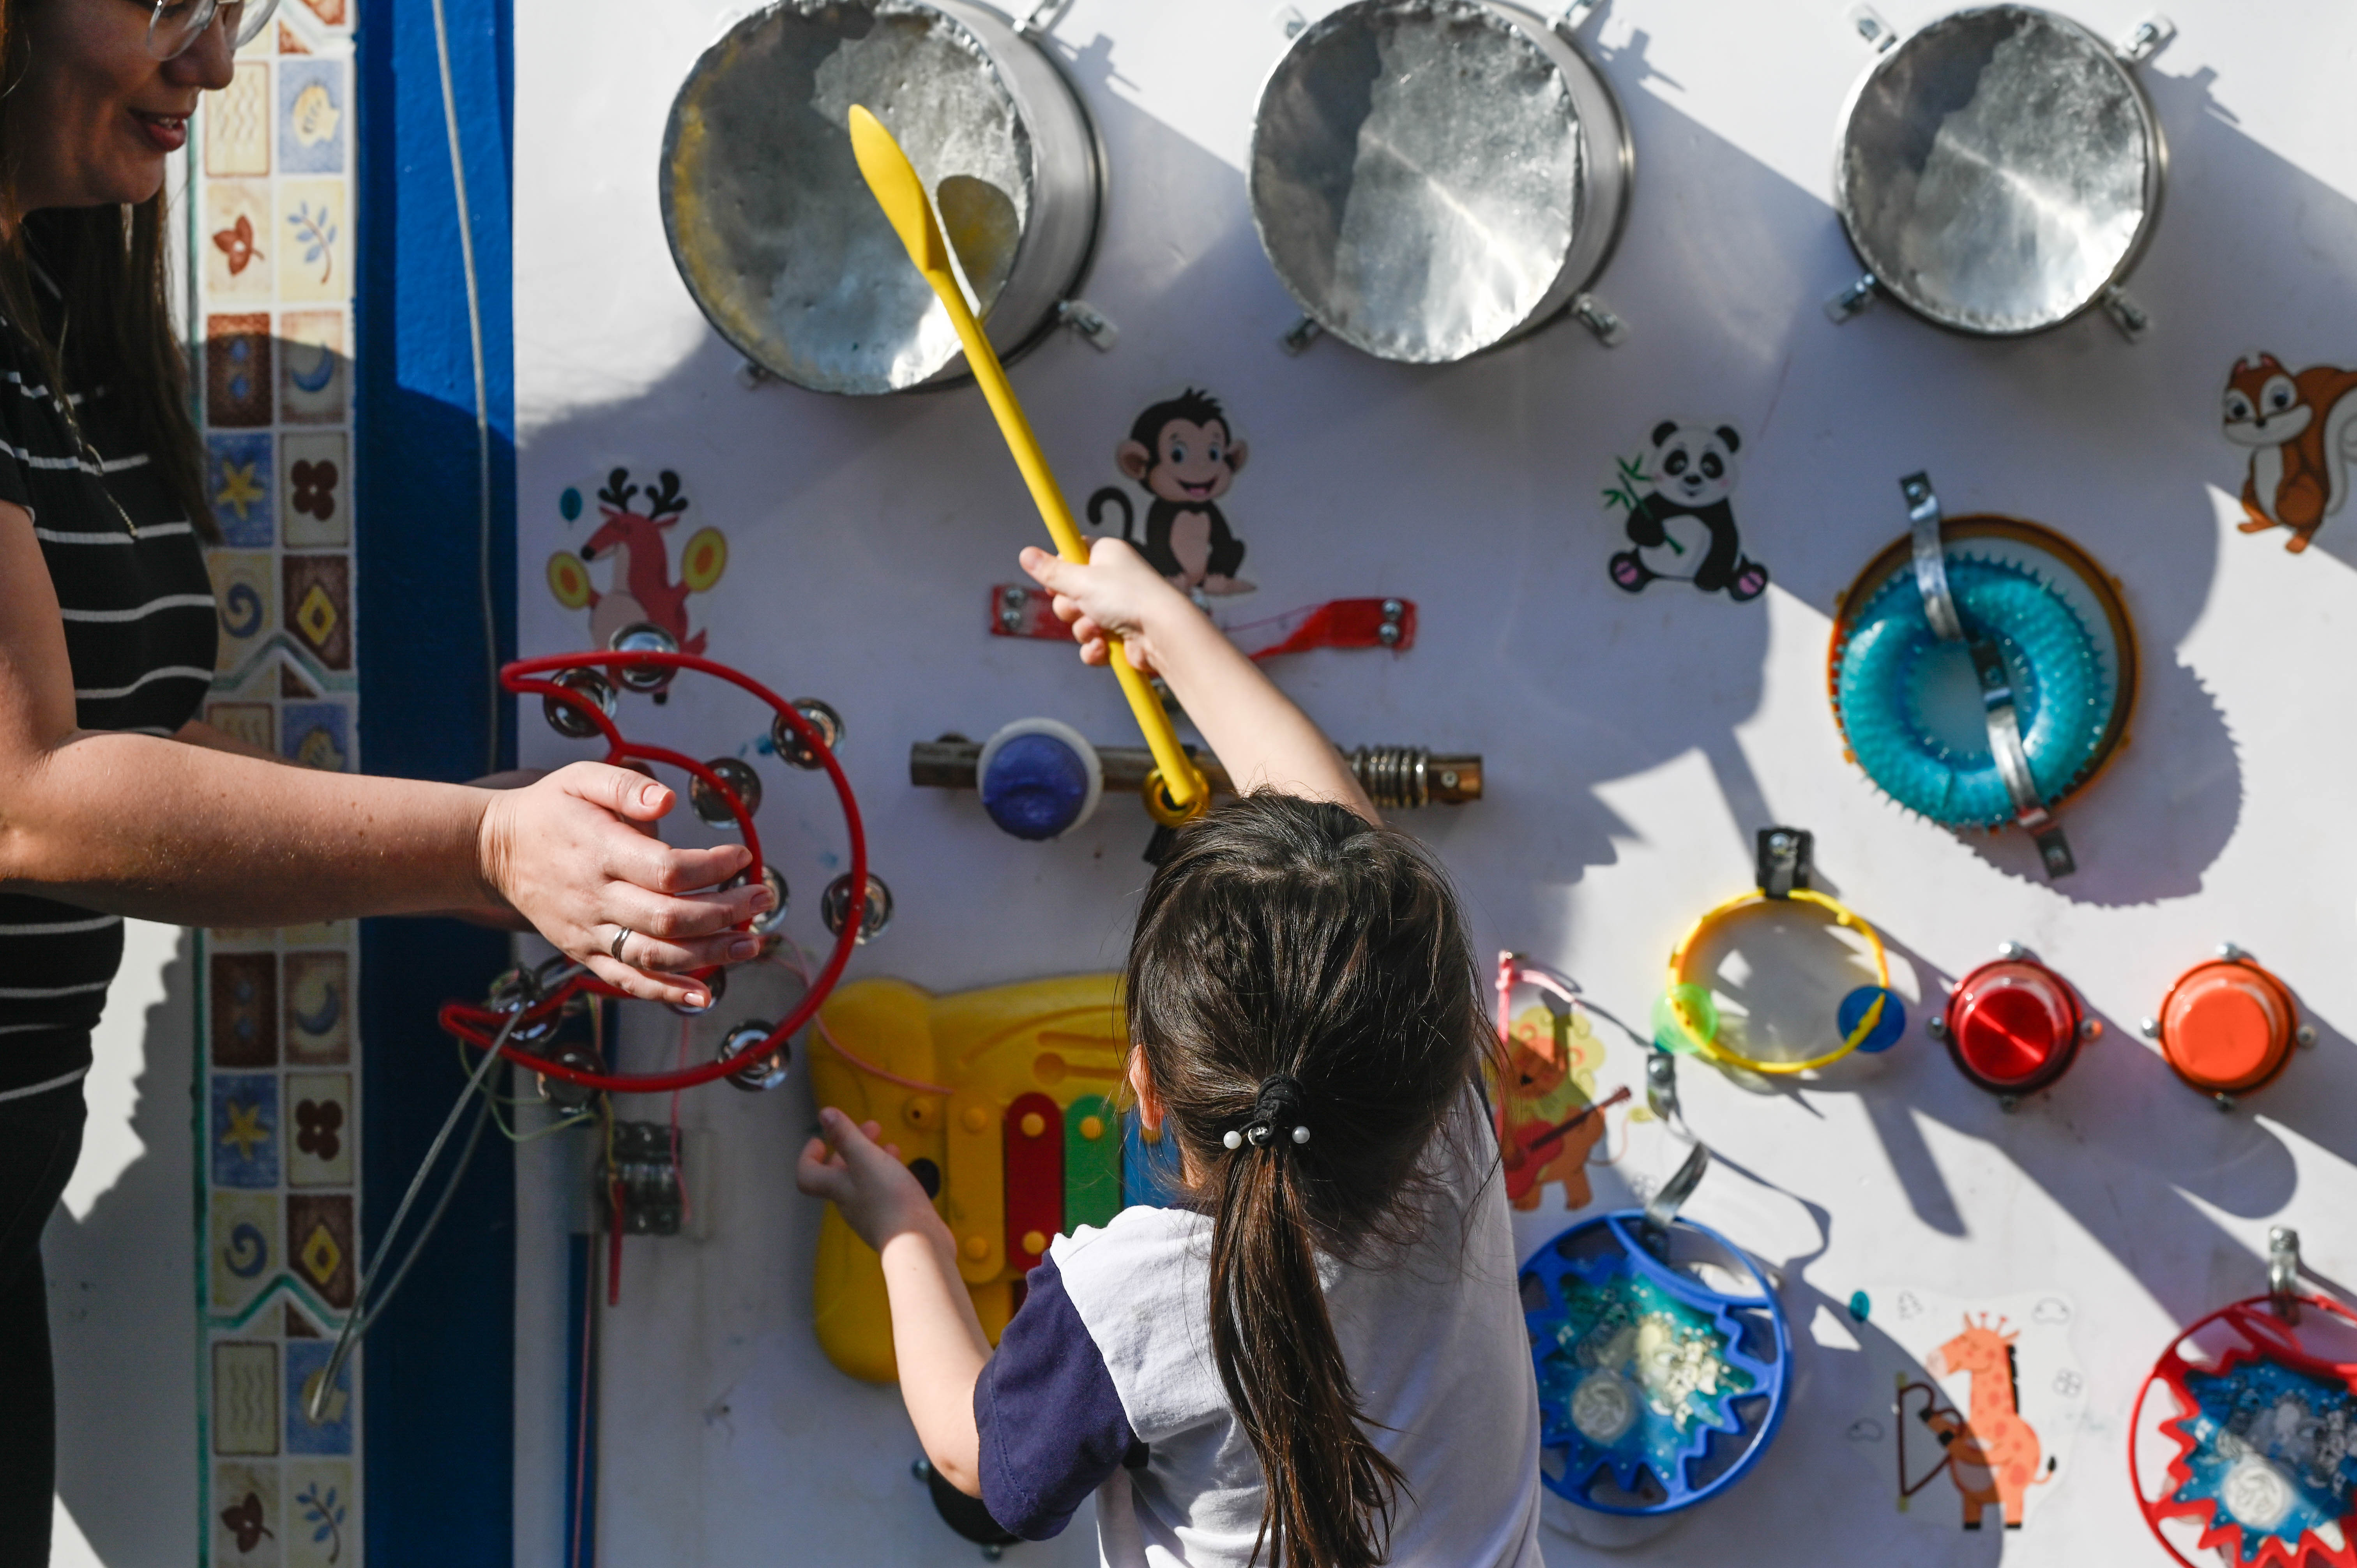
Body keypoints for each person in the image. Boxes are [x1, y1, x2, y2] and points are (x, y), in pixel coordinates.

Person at [0, 2, 766, 1558]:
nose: (214, 66)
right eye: (171, 7)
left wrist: (529, 822)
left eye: (229, 14)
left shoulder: (48, 316)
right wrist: (485, 849)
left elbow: (127, 748)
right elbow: (28, 799)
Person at [797, 537, 1543, 1567]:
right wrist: (1167, 625)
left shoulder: (1124, 1302)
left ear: (1142, 1084)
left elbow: (981, 1466)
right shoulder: (1448, 1147)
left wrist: (903, 1226)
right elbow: (1352, 852)